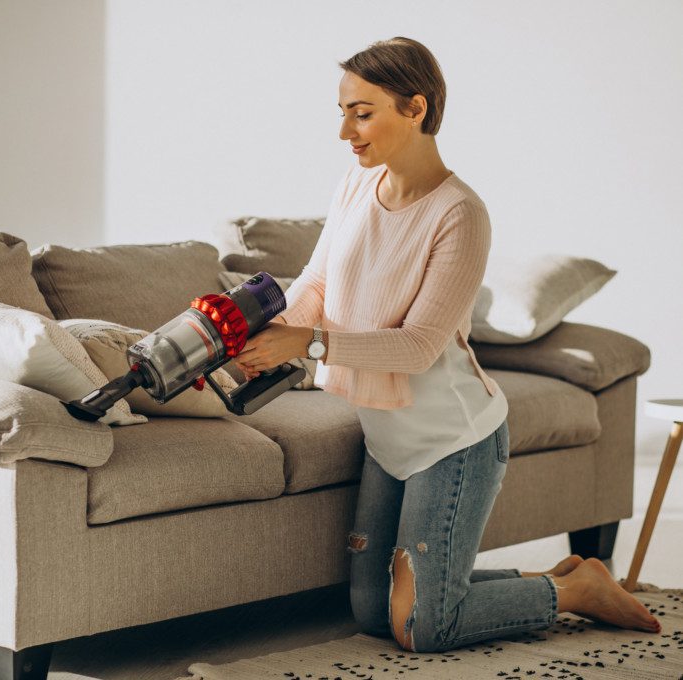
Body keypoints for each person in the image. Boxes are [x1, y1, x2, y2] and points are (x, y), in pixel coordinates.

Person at [232, 36, 661, 652]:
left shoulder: (460, 213)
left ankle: (576, 592)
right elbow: (319, 282)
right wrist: (262, 334)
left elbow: (418, 348)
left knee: (427, 626)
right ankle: (557, 577)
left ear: (416, 108)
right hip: (388, 438)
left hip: (453, 440)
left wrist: (309, 344)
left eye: (362, 112)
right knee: (372, 611)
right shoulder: (355, 188)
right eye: (342, 111)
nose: (345, 131)